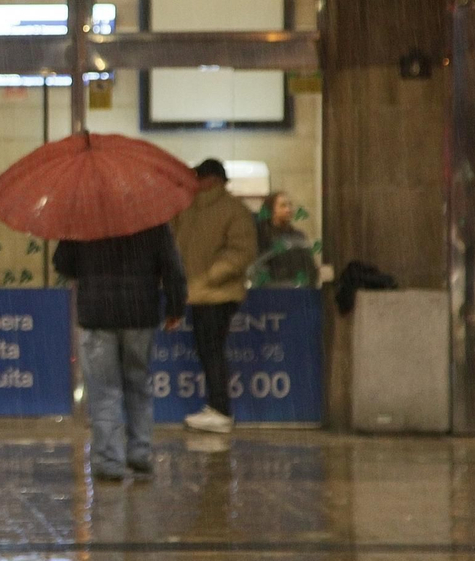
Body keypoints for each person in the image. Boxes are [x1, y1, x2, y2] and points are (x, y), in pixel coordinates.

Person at [54, 226, 187, 481]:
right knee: (137, 385)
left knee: (104, 391)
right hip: (140, 313)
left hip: (97, 314)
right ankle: (140, 451)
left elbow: (63, 264)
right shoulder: (151, 222)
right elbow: (172, 266)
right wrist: (175, 307)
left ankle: (109, 459)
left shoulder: (84, 219)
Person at [172, 159, 259, 435]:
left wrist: (210, 275)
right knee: (207, 350)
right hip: (199, 292)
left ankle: (221, 410)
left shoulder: (233, 210)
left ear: (213, 180)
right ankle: (216, 406)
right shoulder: (188, 209)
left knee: (212, 350)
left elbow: (242, 251)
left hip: (219, 293)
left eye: (200, 176)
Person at [253, 191, 319, 288]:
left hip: (299, 293)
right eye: (283, 206)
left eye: (290, 205)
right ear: (272, 210)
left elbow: (309, 268)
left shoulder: (298, 236)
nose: (288, 209)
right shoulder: (262, 237)